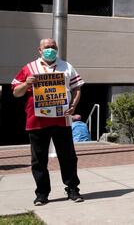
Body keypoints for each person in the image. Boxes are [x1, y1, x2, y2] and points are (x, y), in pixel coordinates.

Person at [11, 38, 85, 206]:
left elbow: (77, 88)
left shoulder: (66, 66)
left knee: (68, 158)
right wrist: (26, 83)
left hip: (62, 120)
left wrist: (73, 106)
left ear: (57, 48)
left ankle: (72, 189)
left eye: (53, 47)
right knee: (39, 160)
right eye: (47, 47)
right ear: (39, 50)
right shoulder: (29, 68)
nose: (50, 49)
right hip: (37, 121)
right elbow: (16, 92)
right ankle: (42, 193)